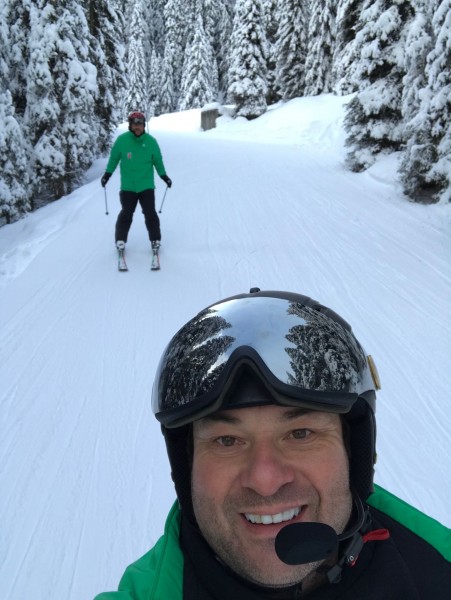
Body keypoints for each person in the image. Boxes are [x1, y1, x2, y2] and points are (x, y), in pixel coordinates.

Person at [94, 289, 451, 599]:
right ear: (187, 465)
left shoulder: (437, 570)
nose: (265, 480)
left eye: (300, 434)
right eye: (227, 440)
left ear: (353, 449)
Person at [100, 111, 172, 254]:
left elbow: (158, 161)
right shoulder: (122, 141)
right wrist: (107, 175)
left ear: (144, 125)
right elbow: (114, 159)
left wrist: (164, 176)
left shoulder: (151, 142)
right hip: (128, 187)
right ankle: (120, 240)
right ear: (130, 125)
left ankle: (155, 240)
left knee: (150, 214)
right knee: (126, 214)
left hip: (146, 186)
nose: (137, 127)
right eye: (135, 124)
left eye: (140, 124)